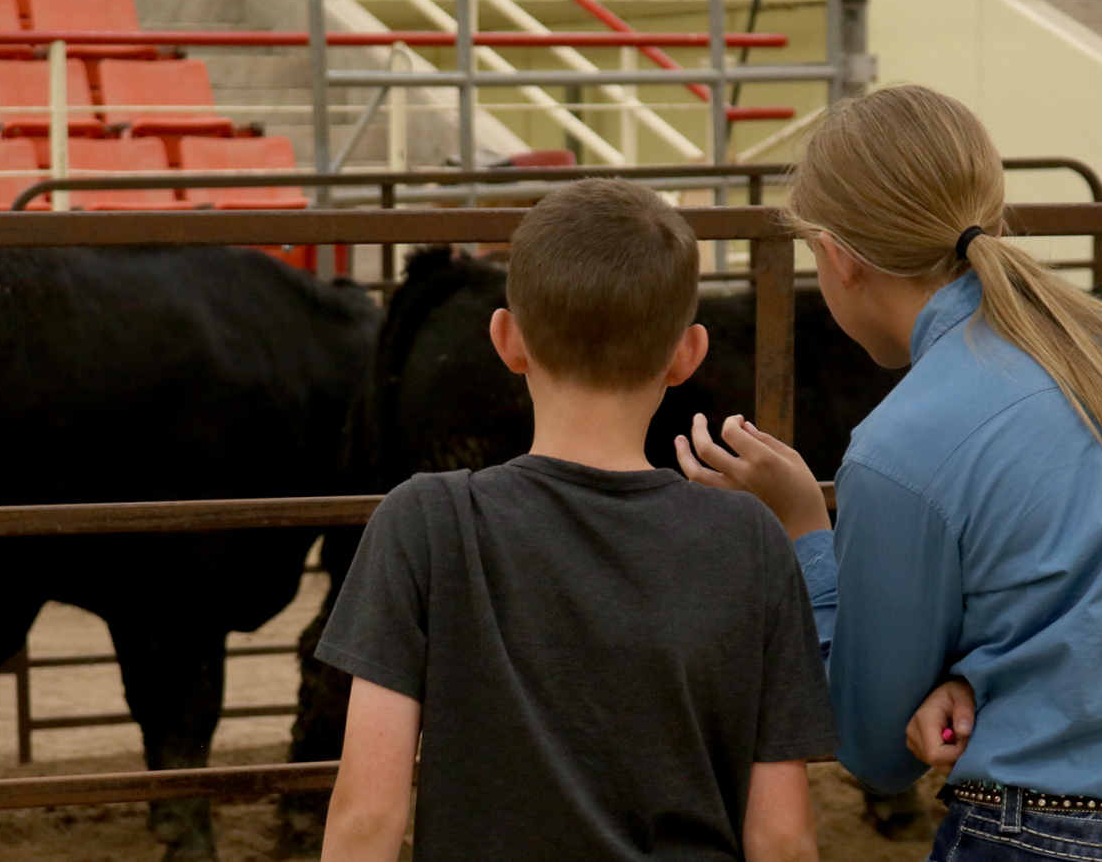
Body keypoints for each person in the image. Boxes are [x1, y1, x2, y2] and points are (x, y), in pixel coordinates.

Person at [677, 85, 1102, 862]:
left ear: (836, 257)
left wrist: (804, 529)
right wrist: (981, 676)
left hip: (1051, 836)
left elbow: (874, 750)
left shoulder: (903, 442)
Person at [315, 178, 837, 862]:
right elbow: (781, 838)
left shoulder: (423, 522)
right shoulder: (752, 540)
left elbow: (368, 819)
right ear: (688, 354)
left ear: (507, 339)